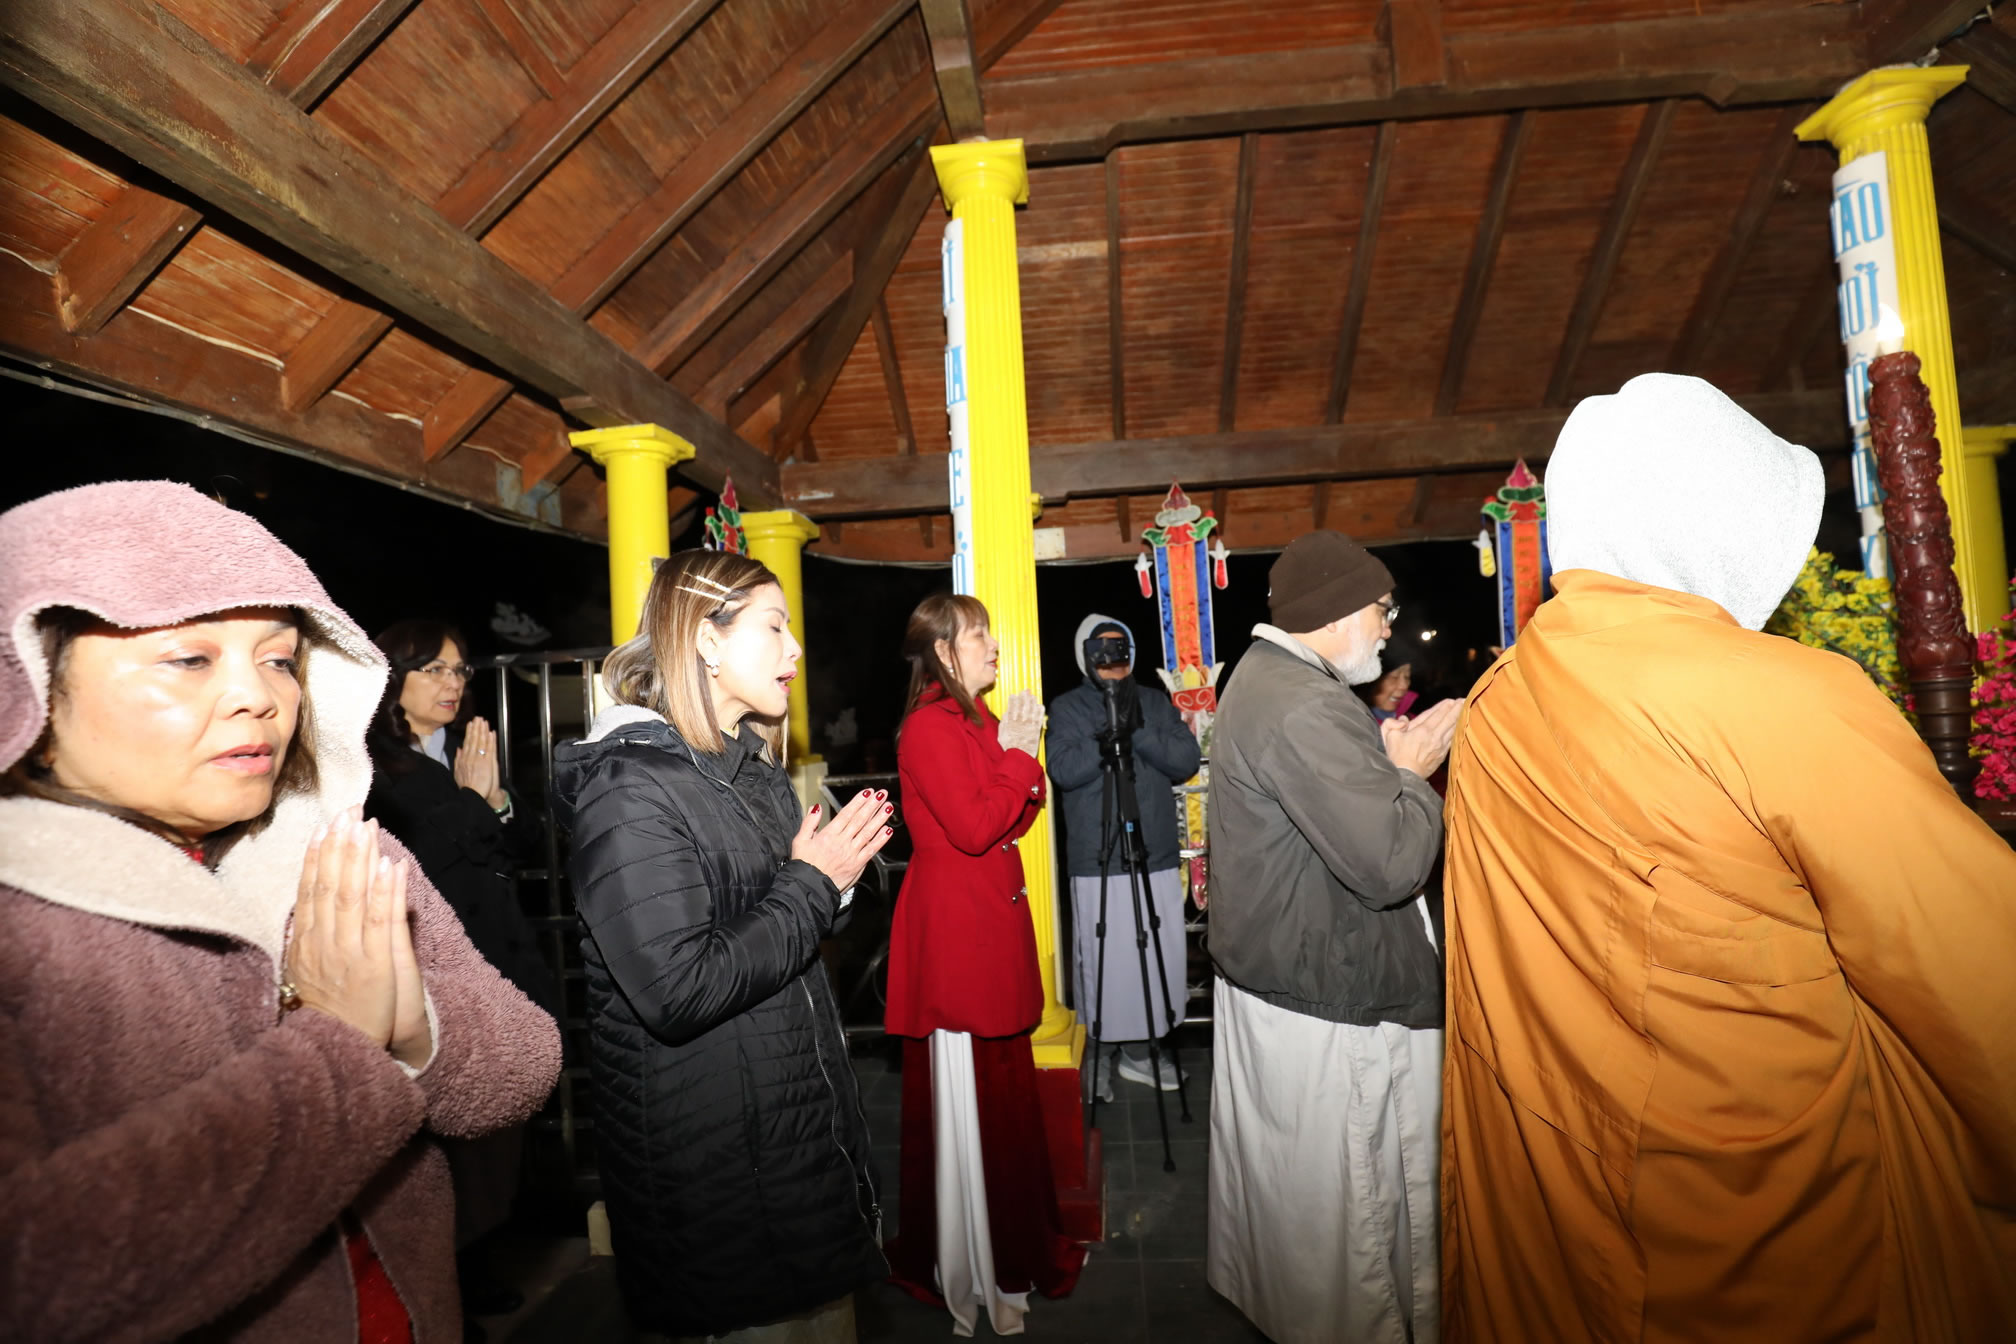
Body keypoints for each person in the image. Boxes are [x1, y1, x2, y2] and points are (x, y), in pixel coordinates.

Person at [1440, 373, 2016, 1343]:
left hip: (1560, 1183)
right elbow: (1969, 963)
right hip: (1770, 1222)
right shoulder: (1781, 697)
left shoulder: (1497, 702)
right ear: (1721, 522)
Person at [0, 480, 561, 1344]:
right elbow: (37, 1278)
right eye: (190, 659)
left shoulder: (334, 848)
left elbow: (523, 1063)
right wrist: (343, 1044)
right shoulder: (22, 919)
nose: (258, 696)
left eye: (279, 660)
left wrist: (412, 1028)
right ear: (34, 682)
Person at [553, 549, 892, 1343]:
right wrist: (815, 882)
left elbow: (787, 919)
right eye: (774, 627)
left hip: (790, 1133)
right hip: (719, 1164)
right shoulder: (629, 788)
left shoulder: (748, 767)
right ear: (706, 640)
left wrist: (833, 884)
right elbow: (678, 989)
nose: (795, 648)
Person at [1204, 530, 1461, 1344]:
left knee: (1303, 1233)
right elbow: (1390, 864)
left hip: (1287, 985)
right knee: (1353, 1254)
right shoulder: (1305, 703)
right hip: (1331, 1003)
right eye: (1382, 609)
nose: (1387, 627)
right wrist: (1410, 773)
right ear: (1340, 610)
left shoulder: (1267, 678)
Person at [883, 593, 1087, 1335]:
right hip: (956, 935)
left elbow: (1019, 813)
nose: (993, 645)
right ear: (943, 651)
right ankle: (968, 1258)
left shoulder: (973, 720)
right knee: (969, 1099)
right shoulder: (928, 727)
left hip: (986, 922)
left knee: (1000, 1096)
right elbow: (975, 828)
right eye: (978, 635)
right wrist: (1018, 756)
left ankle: (1007, 1245)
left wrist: (1016, 755)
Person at [364, 619, 559, 1326]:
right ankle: (449, 1282)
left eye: (459, 671)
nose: (453, 684)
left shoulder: (464, 749)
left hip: (502, 948)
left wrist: (498, 801)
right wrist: (478, 805)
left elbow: (523, 841)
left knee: (501, 1126)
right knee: (446, 1138)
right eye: (435, 670)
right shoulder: (374, 767)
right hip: (433, 964)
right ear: (395, 679)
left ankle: (487, 1251)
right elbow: (430, 865)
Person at [1045, 613, 1201, 1098]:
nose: (1112, 657)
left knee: (1155, 959)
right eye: (1101, 648)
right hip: (1098, 858)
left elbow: (1185, 760)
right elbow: (1063, 770)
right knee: (1103, 963)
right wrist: (1106, 736)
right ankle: (1098, 1055)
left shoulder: (1154, 702)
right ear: (1084, 655)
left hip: (1154, 855)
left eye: (1120, 647)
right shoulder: (1068, 707)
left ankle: (1141, 1052)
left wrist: (1137, 732)